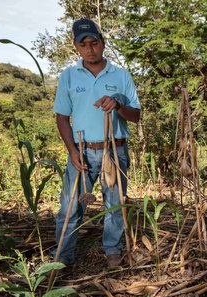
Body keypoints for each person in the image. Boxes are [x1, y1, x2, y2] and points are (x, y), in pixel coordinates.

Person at [53, 18, 141, 268]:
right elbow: (62, 117)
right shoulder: (69, 76)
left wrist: (118, 105)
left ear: (103, 43)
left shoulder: (121, 75)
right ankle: (62, 258)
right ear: (76, 47)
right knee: (69, 208)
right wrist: (72, 151)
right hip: (81, 151)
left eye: (94, 42)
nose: (90, 48)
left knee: (115, 206)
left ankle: (112, 251)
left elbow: (136, 116)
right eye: (84, 44)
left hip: (115, 150)